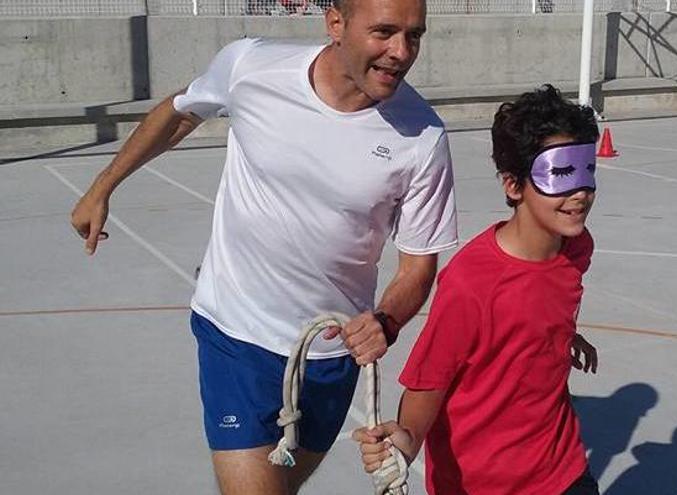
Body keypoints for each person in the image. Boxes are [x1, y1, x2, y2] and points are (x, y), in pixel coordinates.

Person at [69, 0, 456, 493]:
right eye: (383, 32)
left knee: (281, 486)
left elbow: (417, 269)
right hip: (235, 333)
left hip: (329, 355)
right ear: (335, 23)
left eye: (414, 36)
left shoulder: (421, 136)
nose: (401, 52)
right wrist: (103, 186)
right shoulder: (252, 66)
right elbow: (180, 113)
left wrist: (386, 321)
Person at [354, 84, 601, 494]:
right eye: (560, 174)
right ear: (513, 185)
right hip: (481, 482)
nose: (580, 192)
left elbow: (541, 301)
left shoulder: (576, 247)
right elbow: (429, 381)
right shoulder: (472, 285)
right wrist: (407, 441)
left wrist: (562, 335)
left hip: (561, 469)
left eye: (588, 172)